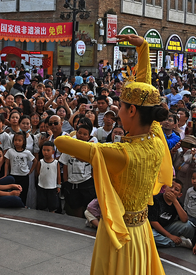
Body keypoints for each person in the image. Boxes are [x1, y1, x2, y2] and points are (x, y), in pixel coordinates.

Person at [55, 34, 173, 274]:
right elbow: (145, 90)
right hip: (141, 229)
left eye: (119, 106)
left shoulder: (121, 152)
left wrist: (71, 132)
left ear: (131, 110)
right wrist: (143, 49)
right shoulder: (157, 136)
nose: (116, 110)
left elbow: (61, 142)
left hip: (120, 232)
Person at [60, 124, 96, 217]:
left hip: (86, 181)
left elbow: (94, 167)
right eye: (79, 133)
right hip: (72, 182)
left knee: (88, 205)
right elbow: (65, 164)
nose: (81, 136)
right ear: (76, 133)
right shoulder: (69, 147)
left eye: (85, 134)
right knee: (75, 206)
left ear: (89, 136)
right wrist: (66, 180)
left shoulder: (91, 149)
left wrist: (92, 179)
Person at [149, 179, 195, 248]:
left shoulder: (177, 202)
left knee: (188, 225)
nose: (172, 190)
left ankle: (190, 242)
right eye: (170, 187)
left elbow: (184, 220)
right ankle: (175, 242)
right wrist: (170, 236)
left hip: (167, 227)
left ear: (180, 195)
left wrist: (175, 202)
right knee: (151, 236)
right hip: (153, 229)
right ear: (165, 188)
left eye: (176, 189)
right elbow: (153, 222)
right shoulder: (156, 199)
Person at [34, 141, 61, 212]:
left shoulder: (56, 163)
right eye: (44, 150)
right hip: (42, 187)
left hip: (52, 187)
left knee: (52, 206)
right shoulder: (40, 162)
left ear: (53, 152)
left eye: (48, 150)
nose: (46, 152)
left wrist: (58, 186)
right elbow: (38, 172)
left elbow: (58, 175)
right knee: (41, 205)